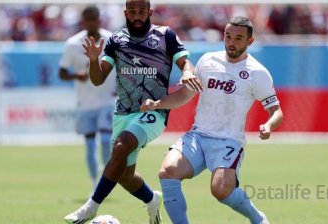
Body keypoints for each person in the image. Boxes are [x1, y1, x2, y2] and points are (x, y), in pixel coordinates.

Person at [64, 1, 202, 223]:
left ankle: (92, 206)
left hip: (154, 110)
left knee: (122, 145)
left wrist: (187, 72)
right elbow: (98, 79)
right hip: (123, 112)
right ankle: (151, 200)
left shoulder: (165, 35)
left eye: (141, 12)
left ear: (149, 12)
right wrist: (92, 60)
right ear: (126, 13)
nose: (137, 16)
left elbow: (186, 62)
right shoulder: (116, 39)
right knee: (124, 176)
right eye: (133, 12)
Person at [140, 16, 283, 224]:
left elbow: (276, 111)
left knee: (220, 190)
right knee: (167, 171)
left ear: (249, 42)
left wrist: (269, 125)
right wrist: (157, 104)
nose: (231, 42)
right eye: (228, 36)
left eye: (238, 38)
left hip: (228, 141)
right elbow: (185, 95)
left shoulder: (257, 73)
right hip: (198, 136)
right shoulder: (208, 60)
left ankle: (257, 218)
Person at [59, 6, 116, 191]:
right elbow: (62, 72)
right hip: (85, 102)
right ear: (83, 22)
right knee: (90, 144)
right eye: (88, 19)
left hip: (107, 100)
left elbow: (122, 66)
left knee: (107, 141)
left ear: (100, 20)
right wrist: (77, 75)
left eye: (95, 18)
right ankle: (94, 182)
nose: (92, 22)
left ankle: (106, 180)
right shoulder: (73, 44)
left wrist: (119, 86)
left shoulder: (111, 40)